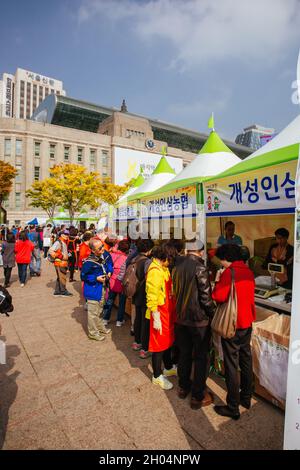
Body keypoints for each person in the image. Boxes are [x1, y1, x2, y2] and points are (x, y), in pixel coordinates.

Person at [212, 244, 256, 420]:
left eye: (221, 260)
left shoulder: (228, 274)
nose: (221, 263)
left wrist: (217, 282)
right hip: (247, 322)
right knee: (246, 359)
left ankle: (232, 407)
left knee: (231, 364)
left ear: (225, 258)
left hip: (232, 325)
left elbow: (219, 296)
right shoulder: (248, 271)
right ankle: (246, 398)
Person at [172, 239, 215, 409]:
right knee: (201, 357)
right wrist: (213, 313)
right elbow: (205, 297)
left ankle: (183, 387)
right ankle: (198, 395)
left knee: (184, 354)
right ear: (200, 251)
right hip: (198, 321)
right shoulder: (200, 267)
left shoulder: (177, 266)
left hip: (181, 318)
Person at [146, 244, 177, 390]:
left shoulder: (163, 269)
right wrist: (155, 315)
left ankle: (168, 367)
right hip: (159, 312)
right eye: (169, 259)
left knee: (167, 342)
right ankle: (157, 375)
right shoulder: (154, 271)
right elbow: (151, 294)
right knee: (158, 346)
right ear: (164, 258)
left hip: (167, 311)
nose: (170, 262)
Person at [81, 238, 112, 341]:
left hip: (101, 288)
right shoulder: (89, 262)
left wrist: (108, 272)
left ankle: (99, 328)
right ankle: (93, 333)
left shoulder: (101, 256)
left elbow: (108, 265)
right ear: (93, 250)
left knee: (99, 310)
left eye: (102, 246)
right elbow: (83, 276)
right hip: (93, 290)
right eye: (100, 248)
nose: (103, 249)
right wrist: (95, 278)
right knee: (93, 313)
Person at [132, 238, 154, 359]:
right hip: (144, 294)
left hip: (136, 292)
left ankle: (137, 342)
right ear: (149, 250)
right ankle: (145, 349)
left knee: (138, 319)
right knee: (145, 322)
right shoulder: (147, 262)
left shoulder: (134, 258)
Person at [103, 240, 130, 327]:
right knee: (122, 302)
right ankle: (119, 320)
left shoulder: (112, 255)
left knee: (109, 301)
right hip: (121, 282)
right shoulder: (126, 259)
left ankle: (105, 319)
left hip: (112, 281)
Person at [48, 230, 73, 297]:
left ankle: (57, 291)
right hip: (60, 263)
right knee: (62, 277)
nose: (67, 236)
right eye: (65, 234)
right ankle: (63, 291)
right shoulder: (58, 242)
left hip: (62, 262)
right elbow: (50, 251)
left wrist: (67, 254)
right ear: (61, 235)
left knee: (60, 277)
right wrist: (60, 256)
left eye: (68, 234)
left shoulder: (63, 242)